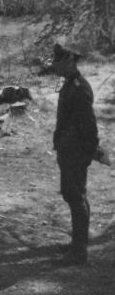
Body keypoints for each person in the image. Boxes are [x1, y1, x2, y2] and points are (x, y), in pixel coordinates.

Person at [50, 43, 100, 265]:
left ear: (70, 61)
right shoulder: (70, 84)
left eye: (58, 61)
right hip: (68, 148)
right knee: (73, 194)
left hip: (75, 150)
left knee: (75, 194)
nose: (55, 65)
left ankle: (79, 251)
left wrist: (87, 152)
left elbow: (89, 126)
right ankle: (78, 243)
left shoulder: (79, 88)